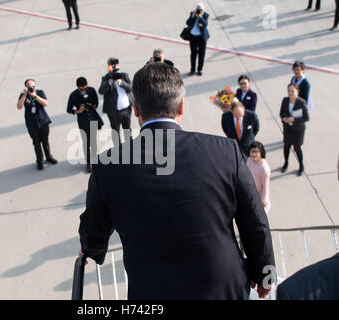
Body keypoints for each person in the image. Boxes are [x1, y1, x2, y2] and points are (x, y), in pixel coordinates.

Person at [78, 63, 275, 300]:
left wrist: (92, 250)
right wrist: (265, 274)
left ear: (136, 110)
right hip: (223, 288)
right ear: (181, 106)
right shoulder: (225, 151)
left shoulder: (107, 165)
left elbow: (93, 233)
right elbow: (256, 222)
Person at [17, 79, 58, 170]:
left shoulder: (40, 92)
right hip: (32, 124)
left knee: (45, 141)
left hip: (42, 121)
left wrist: (35, 96)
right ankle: (39, 160)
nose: (32, 88)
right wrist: (24, 95)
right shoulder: (23, 95)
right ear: (26, 87)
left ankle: (48, 156)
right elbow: (19, 107)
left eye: (33, 86)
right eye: (30, 87)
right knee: (36, 143)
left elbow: (46, 103)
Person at [67, 77, 103, 173]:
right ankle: (88, 162)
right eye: (81, 89)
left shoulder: (91, 91)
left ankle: (95, 160)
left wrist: (92, 106)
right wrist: (78, 110)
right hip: (83, 121)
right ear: (78, 87)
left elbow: (96, 102)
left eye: (84, 88)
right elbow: (69, 109)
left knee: (93, 142)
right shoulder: (73, 95)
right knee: (86, 143)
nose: (83, 90)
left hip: (93, 118)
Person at [98, 57, 133, 146]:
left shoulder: (124, 76)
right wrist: (109, 82)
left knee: (127, 130)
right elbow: (101, 91)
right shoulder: (106, 78)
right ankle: (118, 152)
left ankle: (130, 149)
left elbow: (131, 88)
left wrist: (120, 82)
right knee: (115, 132)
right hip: (113, 112)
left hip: (126, 110)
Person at [280, 83, 309, 176]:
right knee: (286, 146)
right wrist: (284, 118)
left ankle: (301, 165)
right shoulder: (285, 100)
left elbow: (306, 117)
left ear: (297, 92)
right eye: (289, 91)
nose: (290, 93)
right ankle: (286, 163)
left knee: (297, 148)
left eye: (292, 91)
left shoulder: (301, 102)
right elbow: (282, 113)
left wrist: (294, 120)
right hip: (288, 128)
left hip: (298, 129)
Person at [185, 3, 210, 76]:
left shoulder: (205, 15)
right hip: (193, 37)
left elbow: (205, 24)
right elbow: (188, 23)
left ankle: (200, 69)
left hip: (201, 38)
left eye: (201, 10)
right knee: (193, 54)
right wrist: (193, 16)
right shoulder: (192, 14)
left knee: (201, 54)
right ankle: (192, 69)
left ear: (203, 10)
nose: (199, 11)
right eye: (198, 9)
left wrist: (200, 17)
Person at [246, 142, 271, 214]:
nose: (253, 154)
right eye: (251, 151)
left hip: (258, 198)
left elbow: (265, 186)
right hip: (250, 194)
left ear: (261, 152)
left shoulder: (264, 168)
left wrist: (263, 201)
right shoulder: (249, 160)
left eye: (256, 152)